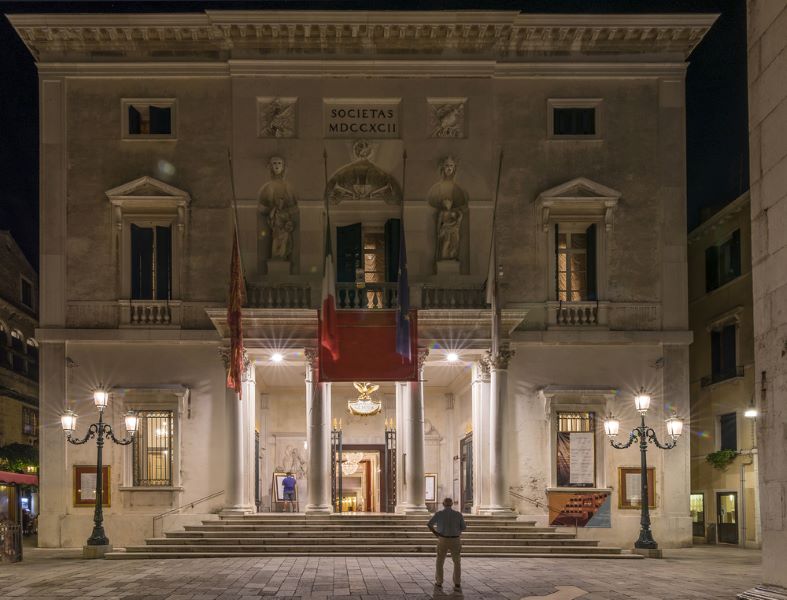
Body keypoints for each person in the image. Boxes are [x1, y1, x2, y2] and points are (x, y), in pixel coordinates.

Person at [427, 497, 466, 590]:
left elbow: (429, 524)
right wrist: (457, 531)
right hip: (455, 539)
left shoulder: (439, 514)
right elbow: (463, 528)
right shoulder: (458, 514)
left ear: (443, 504)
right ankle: (457, 582)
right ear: (452, 504)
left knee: (440, 561)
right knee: (457, 562)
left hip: (443, 539)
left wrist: (436, 533)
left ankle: (439, 582)